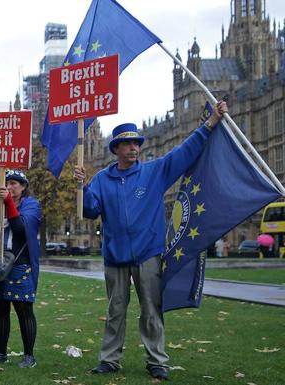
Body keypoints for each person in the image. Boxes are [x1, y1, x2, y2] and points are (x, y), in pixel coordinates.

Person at [74, 101, 228, 381]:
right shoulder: (101, 179)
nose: (134, 148)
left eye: (136, 143)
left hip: (148, 254)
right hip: (115, 255)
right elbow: (89, 211)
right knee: (115, 310)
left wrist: (210, 123)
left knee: (151, 310)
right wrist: (81, 187)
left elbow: (184, 153)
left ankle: (157, 361)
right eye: (128, 144)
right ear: (116, 149)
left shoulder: (154, 171)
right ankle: (109, 359)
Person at [0, 170, 42, 368]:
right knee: (0, 309)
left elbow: (20, 229)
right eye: (7, 182)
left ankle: (29, 356)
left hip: (19, 264)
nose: (10, 186)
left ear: (23, 186)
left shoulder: (31, 205)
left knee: (23, 310)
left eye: (15, 183)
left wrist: (9, 202)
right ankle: (1, 353)